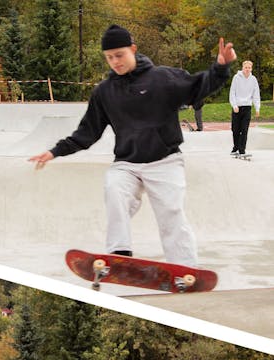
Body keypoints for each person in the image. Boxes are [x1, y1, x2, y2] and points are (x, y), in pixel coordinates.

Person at [29, 26, 235, 266]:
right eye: (109, 57)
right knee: (114, 189)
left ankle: (184, 268)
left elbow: (198, 86)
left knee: (171, 214)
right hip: (127, 164)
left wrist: (220, 67)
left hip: (165, 160)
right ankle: (120, 253)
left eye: (119, 55)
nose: (115, 62)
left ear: (133, 50)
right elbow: (87, 132)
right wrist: (55, 151)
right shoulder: (104, 92)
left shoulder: (162, 78)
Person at [229, 60, 261, 157]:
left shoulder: (253, 79)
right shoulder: (236, 78)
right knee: (235, 130)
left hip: (247, 107)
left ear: (251, 68)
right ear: (243, 68)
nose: (247, 69)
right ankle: (236, 147)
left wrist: (257, 108)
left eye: (249, 68)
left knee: (244, 130)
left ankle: (242, 150)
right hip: (237, 107)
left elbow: (256, 94)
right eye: (246, 67)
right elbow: (232, 93)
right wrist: (234, 105)